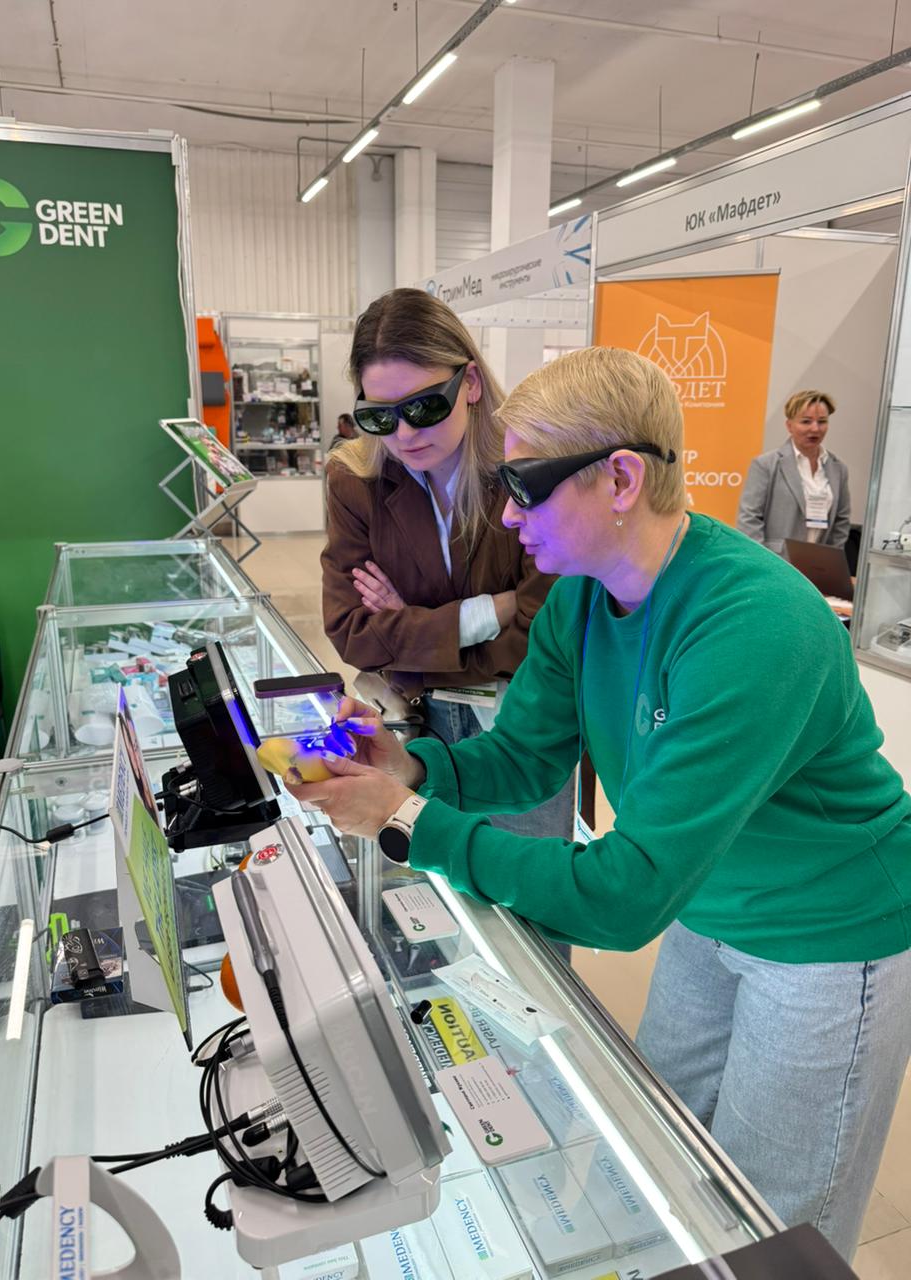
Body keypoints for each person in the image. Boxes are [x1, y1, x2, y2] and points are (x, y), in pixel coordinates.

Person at [292, 346, 911, 1263]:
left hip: (824, 935)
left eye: (525, 487)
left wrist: (407, 822)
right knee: (664, 1156)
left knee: (778, 1233)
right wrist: (411, 769)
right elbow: (522, 755)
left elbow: (624, 896)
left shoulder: (753, 623)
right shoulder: (580, 601)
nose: (507, 514)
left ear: (621, 478)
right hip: (707, 904)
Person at [320, 286, 573, 838]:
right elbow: (351, 632)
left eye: (425, 406)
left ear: (471, 383)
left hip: (520, 727)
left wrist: (407, 631)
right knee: (433, 879)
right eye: (379, 417)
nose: (405, 435)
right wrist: (486, 612)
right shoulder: (355, 480)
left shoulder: (531, 467)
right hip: (414, 725)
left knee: (525, 880)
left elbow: (544, 635)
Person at [736, 390, 851, 553]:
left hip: (817, 563)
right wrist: (763, 560)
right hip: (776, 560)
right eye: (806, 421)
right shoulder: (765, 464)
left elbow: (841, 522)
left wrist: (830, 558)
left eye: (822, 421)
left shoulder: (838, 468)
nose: (815, 428)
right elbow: (749, 519)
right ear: (789, 425)